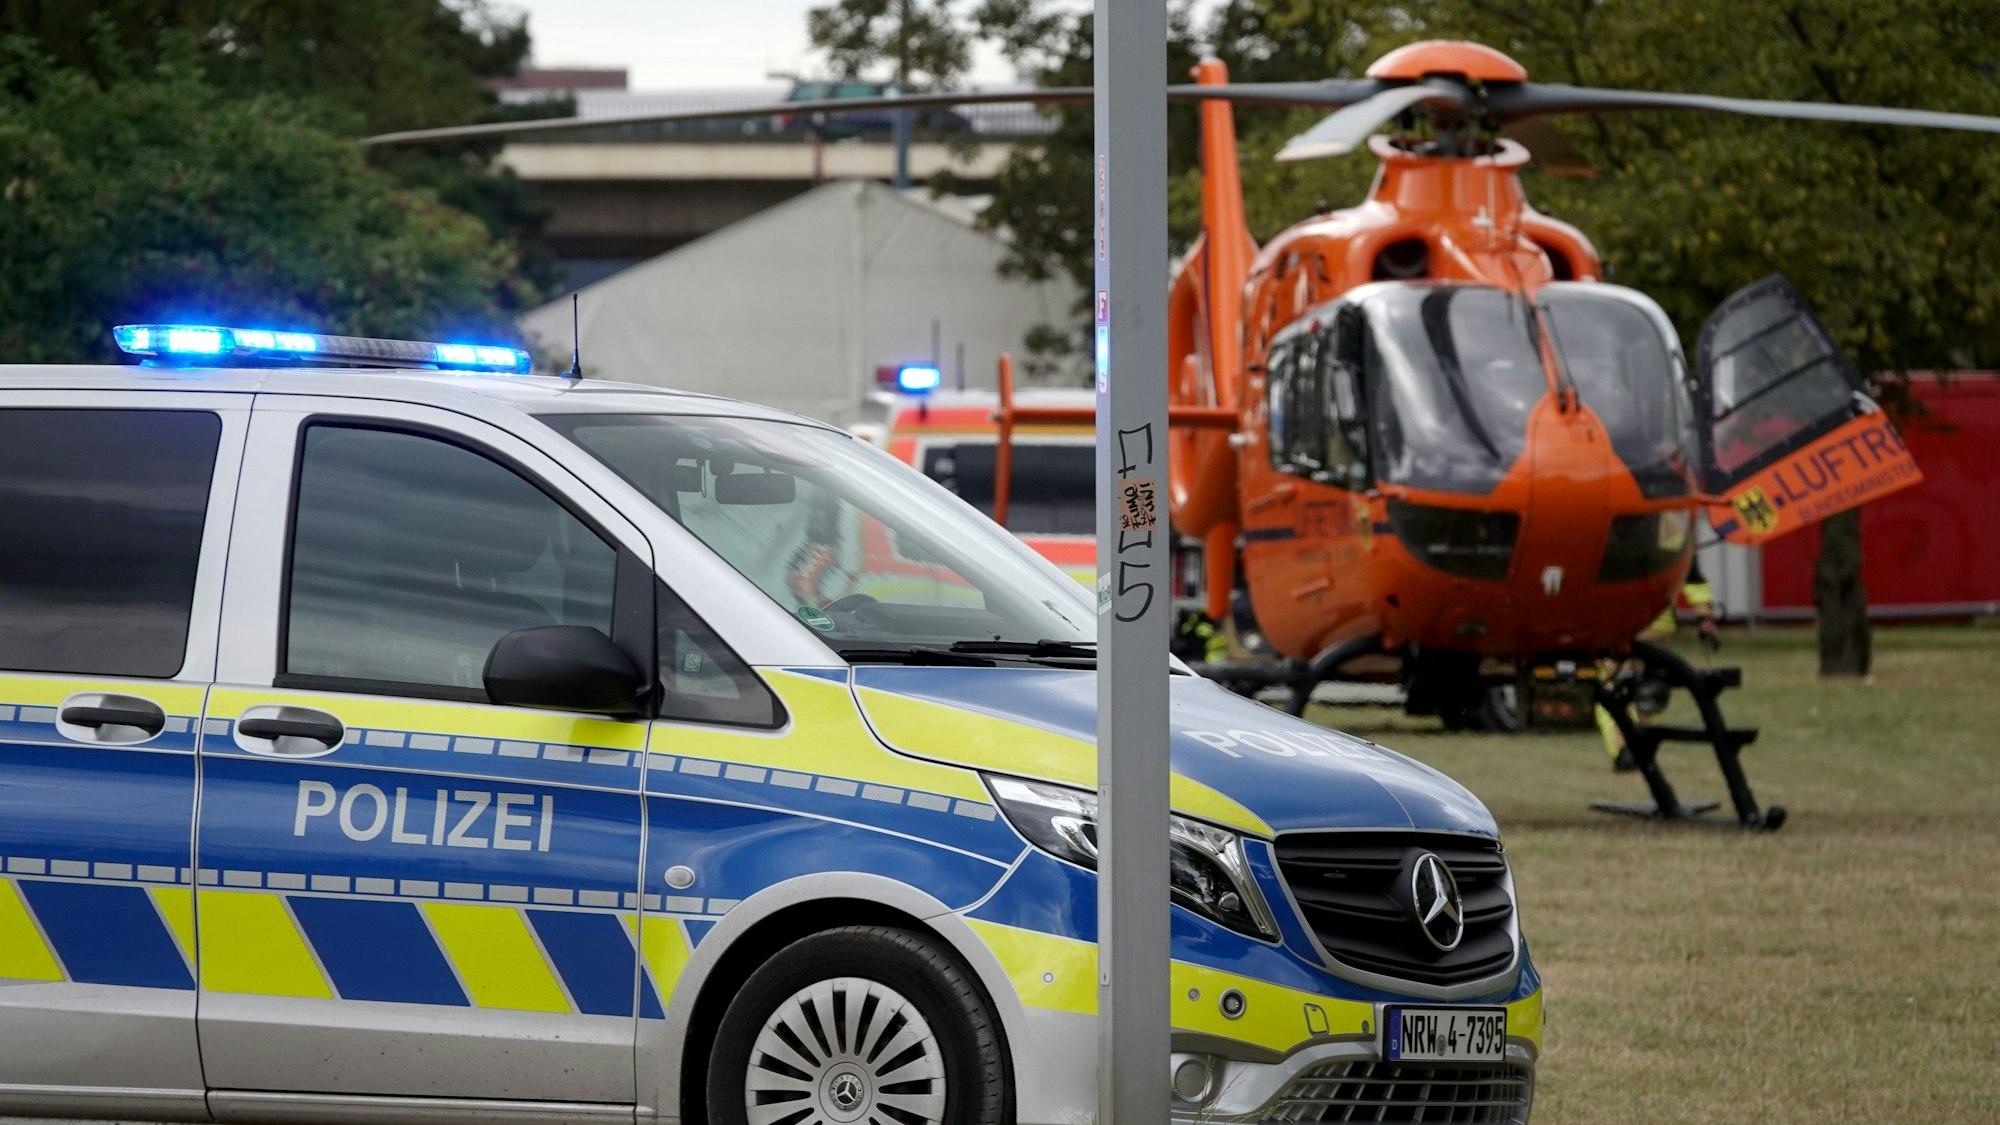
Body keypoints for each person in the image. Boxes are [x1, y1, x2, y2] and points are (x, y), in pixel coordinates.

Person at [1597, 557, 1720, 770]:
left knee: (1611, 688)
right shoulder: (1671, 535)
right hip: (1657, 623)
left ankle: (1624, 748)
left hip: (1616, 620)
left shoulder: (1610, 534)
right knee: (1648, 689)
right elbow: (1693, 577)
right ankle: (1639, 745)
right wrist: (1704, 617)